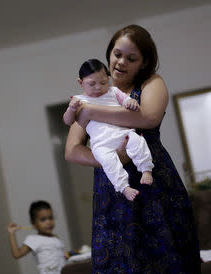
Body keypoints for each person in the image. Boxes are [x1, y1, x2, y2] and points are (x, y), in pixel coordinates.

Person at [65, 24, 203, 274]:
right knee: (121, 271)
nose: (121, 62)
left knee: (170, 269)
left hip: (156, 186)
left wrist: (91, 110)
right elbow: (72, 150)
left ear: (144, 63)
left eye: (131, 58)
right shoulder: (94, 89)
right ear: (109, 53)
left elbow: (148, 118)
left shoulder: (152, 83)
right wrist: (110, 159)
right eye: (117, 54)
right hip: (113, 190)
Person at [63, 58, 154, 201]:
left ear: (109, 79)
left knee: (138, 141)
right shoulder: (79, 101)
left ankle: (146, 170)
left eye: (103, 82)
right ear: (80, 83)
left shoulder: (114, 91)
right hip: (101, 144)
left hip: (121, 133)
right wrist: (71, 109)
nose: (98, 87)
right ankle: (124, 187)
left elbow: (126, 101)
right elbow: (68, 121)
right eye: (91, 84)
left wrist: (130, 102)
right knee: (109, 163)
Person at [7, 200, 66, 274]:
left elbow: (61, 257)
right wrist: (11, 234)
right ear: (34, 224)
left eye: (50, 218)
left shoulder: (56, 238)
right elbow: (17, 254)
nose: (48, 222)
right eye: (43, 220)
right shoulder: (34, 239)